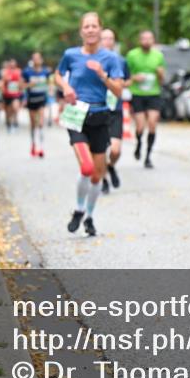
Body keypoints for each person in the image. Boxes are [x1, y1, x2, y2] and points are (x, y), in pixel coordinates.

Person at [55, 12, 124, 237]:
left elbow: (118, 90)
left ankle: (89, 216)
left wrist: (103, 75)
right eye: (87, 26)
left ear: (100, 30)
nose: (91, 30)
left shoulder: (110, 58)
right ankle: (78, 209)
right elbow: (57, 74)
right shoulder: (71, 55)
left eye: (95, 26)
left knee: (96, 175)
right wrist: (66, 88)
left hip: (100, 115)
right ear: (81, 31)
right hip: (76, 115)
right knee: (86, 168)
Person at [125, 30, 166, 169]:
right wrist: (135, 78)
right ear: (139, 40)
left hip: (154, 93)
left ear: (153, 41)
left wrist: (160, 75)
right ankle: (138, 144)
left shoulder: (158, 56)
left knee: (153, 124)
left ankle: (148, 156)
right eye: (144, 38)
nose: (147, 41)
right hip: (137, 94)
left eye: (149, 39)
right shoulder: (132, 55)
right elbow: (125, 77)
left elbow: (162, 80)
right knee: (141, 126)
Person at [100, 28, 131, 193]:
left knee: (115, 150)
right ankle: (104, 180)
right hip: (98, 110)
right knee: (100, 151)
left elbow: (128, 80)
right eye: (104, 38)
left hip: (115, 109)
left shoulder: (121, 61)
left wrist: (118, 85)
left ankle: (111, 166)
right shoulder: (94, 60)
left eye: (111, 38)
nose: (108, 41)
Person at [22, 51, 52, 157]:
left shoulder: (45, 72)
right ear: (32, 60)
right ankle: (33, 144)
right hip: (31, 100)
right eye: (34, 58)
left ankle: (41, 147)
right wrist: (29, 84)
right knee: (33, 124)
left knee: (40, 123)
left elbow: (49, 83)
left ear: (41, 60)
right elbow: (20, 86)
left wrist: (50, 90)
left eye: (38, 58)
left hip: (42, 100)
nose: (36, 60)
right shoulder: (27, 72)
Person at [1, 59, 23, 132]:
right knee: (8, 111)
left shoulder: (19, 71)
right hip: (7, 94)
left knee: (15, 108)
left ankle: (15, 122)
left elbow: (21, 82)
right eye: (11, 64)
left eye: (14, 64)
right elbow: (3, 81)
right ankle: (8, 124)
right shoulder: (5, 71)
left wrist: (21, 88)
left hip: (16, 94)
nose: (12, 65)